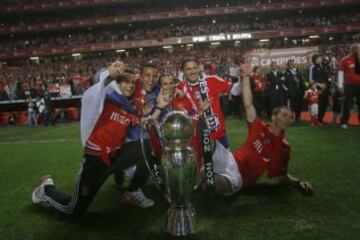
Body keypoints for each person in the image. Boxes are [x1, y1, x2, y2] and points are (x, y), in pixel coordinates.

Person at [31, 61, 153, 215]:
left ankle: (132, 190)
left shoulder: (129, 108)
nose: (130, 86)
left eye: (132, 82)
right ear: (116, 83)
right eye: (124, 81)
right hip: (96, 160)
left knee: (149, 144)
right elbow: (94, 92)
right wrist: (108, 76)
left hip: (115, 157)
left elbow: (140, 126)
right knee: (73, 210)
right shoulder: (105, 99)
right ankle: (45, 190)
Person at [201, 63, 313, 196]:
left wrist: (298, 182)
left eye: (290, 117)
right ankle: (201, 170)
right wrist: (246, 77)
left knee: (212, 185)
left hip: (239, 177)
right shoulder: (259, 127)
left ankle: (205, 174)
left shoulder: (284, 148)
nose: (287, 119)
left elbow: (283, 175)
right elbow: (248, 104)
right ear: (273, 117)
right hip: (230, 159)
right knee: (209, 139)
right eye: (283, 115)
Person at [177, 57, 232, 148]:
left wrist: (244, 78)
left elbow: (231, 88)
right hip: (197, 137)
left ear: (199, 68)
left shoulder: (212, 80)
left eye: (195, 68)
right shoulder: (180, 88)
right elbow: (183, 112)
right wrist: (199, 111)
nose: (192, 71)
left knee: (224, 162)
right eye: (188, 69)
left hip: (218, 134)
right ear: (183, 71)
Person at [338, 43, 360, 129]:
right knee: (347, 104)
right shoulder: (345, 60)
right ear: (352, 50)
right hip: (349, 86)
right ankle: (344, 122)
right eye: (357, 49)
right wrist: (340, 85)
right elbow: (340, 73)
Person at [309, 54, 331, 124]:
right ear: (315, 60)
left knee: (324, 105)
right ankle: (316, 120)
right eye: (319, 58)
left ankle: (321, 119)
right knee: (317, 105)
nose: (321, 58)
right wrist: (319, 85)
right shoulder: (313, 68)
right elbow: (311, 80)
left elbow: (328, 77)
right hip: (317, 89)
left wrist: (328, 85)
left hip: (326, 89)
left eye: (320, 57)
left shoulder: (324, 67)